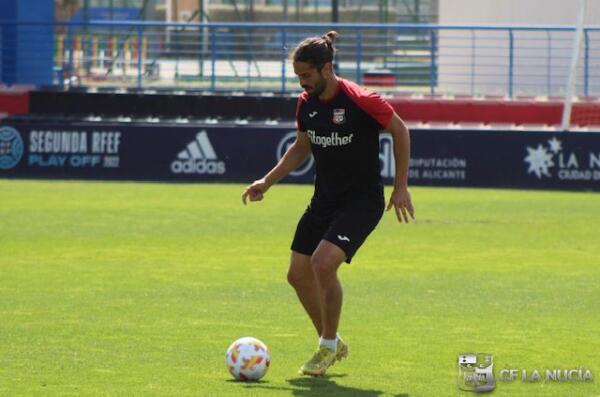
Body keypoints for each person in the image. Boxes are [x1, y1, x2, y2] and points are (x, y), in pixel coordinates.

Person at [242, 31, 414, 377]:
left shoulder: (361, 99)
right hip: (324, 200)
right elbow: (301, 146)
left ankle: (326, 345)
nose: (302, 83)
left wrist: (401, 187)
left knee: (323, 264)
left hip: (361, 202)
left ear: (327, 69)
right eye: (298, 77)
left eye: (306, 75)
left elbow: (400, 129)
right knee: (296, 275)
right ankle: (331, 342)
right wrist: (267, 181)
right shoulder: (306, 104)